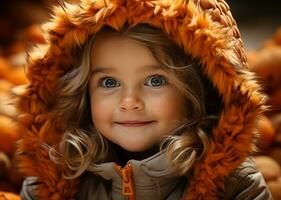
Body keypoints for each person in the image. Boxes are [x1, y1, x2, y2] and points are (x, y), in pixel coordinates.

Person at [13, 0, 272, 200]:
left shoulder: (236, 186)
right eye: (109, 82)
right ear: (81, 93)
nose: (129, 101)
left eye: (155, 81)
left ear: (202, 89)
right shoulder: (51, 184)